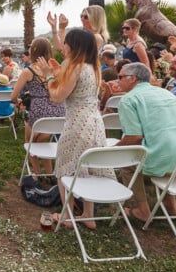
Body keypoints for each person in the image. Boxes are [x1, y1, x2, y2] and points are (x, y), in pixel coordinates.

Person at [36, 28, 111, 229]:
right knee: (89, 166)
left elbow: (57, 96)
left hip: (77, 123)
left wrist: (47, 77)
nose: (63, 46)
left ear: (74, 45)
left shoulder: (76, 67)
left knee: (64, 167)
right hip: (95, 122)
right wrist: (56, 73)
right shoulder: (94, 67)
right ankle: (88, 214)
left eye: (66, 42)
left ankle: (67, 215)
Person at [115, 63, 176, 222]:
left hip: (167, 159)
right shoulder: (168, 94)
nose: (117, 80)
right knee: (160, 149)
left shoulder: (128, 100)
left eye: (120, 77)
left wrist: (113, 150)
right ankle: (171, 206)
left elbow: (134, 137)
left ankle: (143, 210)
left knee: (128, 164)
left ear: (132, 78)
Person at [10, 37, 66, 180]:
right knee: (42, 142)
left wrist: (18, 101)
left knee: (29, 144)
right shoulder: (56, 68)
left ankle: (37, 173)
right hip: (59, 112)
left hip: (39, 112)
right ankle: (49, 173)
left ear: (34, 50)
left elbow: (13, 95)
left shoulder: (28, 71)